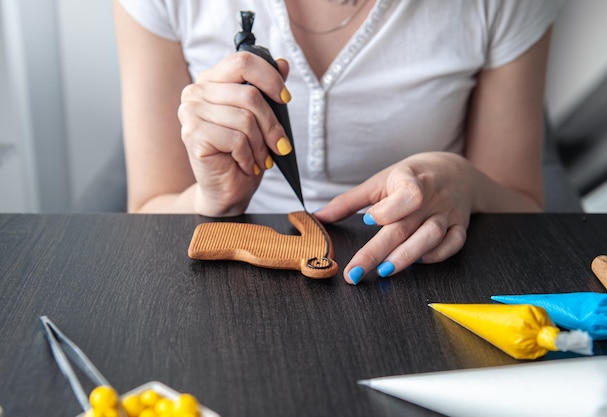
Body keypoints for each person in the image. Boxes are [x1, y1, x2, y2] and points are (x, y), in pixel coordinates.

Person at [113, 0, 562, 285]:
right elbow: (150, 209)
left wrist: (463, 182)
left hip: (425, 273)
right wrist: (214, 198)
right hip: (230, 285)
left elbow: (522, 205)